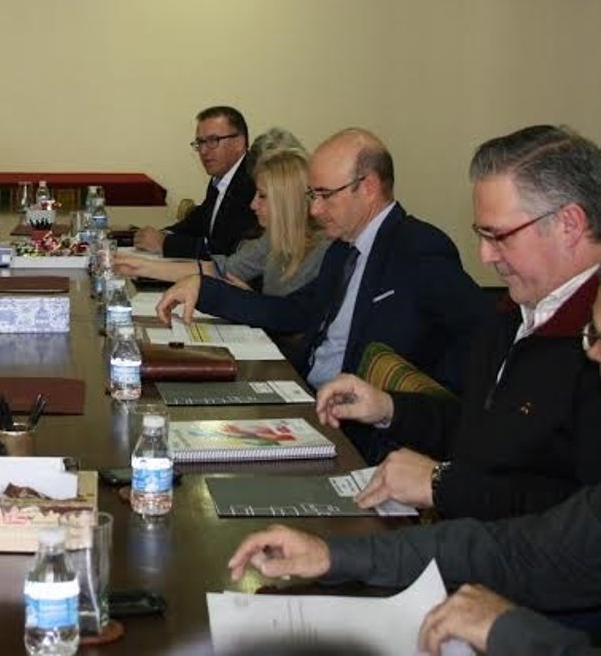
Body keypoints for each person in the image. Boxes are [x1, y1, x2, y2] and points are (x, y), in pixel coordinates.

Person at [228, 278, 601, 654]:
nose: (594, 354)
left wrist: (510, 631)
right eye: (593, 334)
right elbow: (520, 550)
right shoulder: (509, 319)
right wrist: (332, 555)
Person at [313, 126, 601, 520]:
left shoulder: (590, 342)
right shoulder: (513, 314)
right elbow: (480, 435)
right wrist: (388, 408)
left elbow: (580, 516)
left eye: (498, 236)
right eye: (481, 234)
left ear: (569, 224)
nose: (485, 256)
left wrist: (442, 484)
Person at [158, 128, 488, 395]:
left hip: (359, 423)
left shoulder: (418, 249)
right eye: (312, 196)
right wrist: (206, 289)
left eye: (324, 195)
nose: (314, 210)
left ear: (368, 187)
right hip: (306, 388)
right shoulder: (343, 249)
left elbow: (483, 334)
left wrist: (424, 410)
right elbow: (295, 310)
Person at [115, 147, 329, 296]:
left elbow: (298, 323)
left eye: (262, 196)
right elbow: (221, 270)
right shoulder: (273, 238)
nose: (253, 205)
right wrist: (140, 267)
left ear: (287, 201)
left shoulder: (323, 253)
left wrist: (255, 303)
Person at [134, 105, 259, 259]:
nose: (203, 151)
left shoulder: (252, 183)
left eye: (213, 140)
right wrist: (165, 233)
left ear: (239, 143)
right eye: (200, 142)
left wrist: (165, 243)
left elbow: (225, 250)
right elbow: (201, 219)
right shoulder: (222, 176)